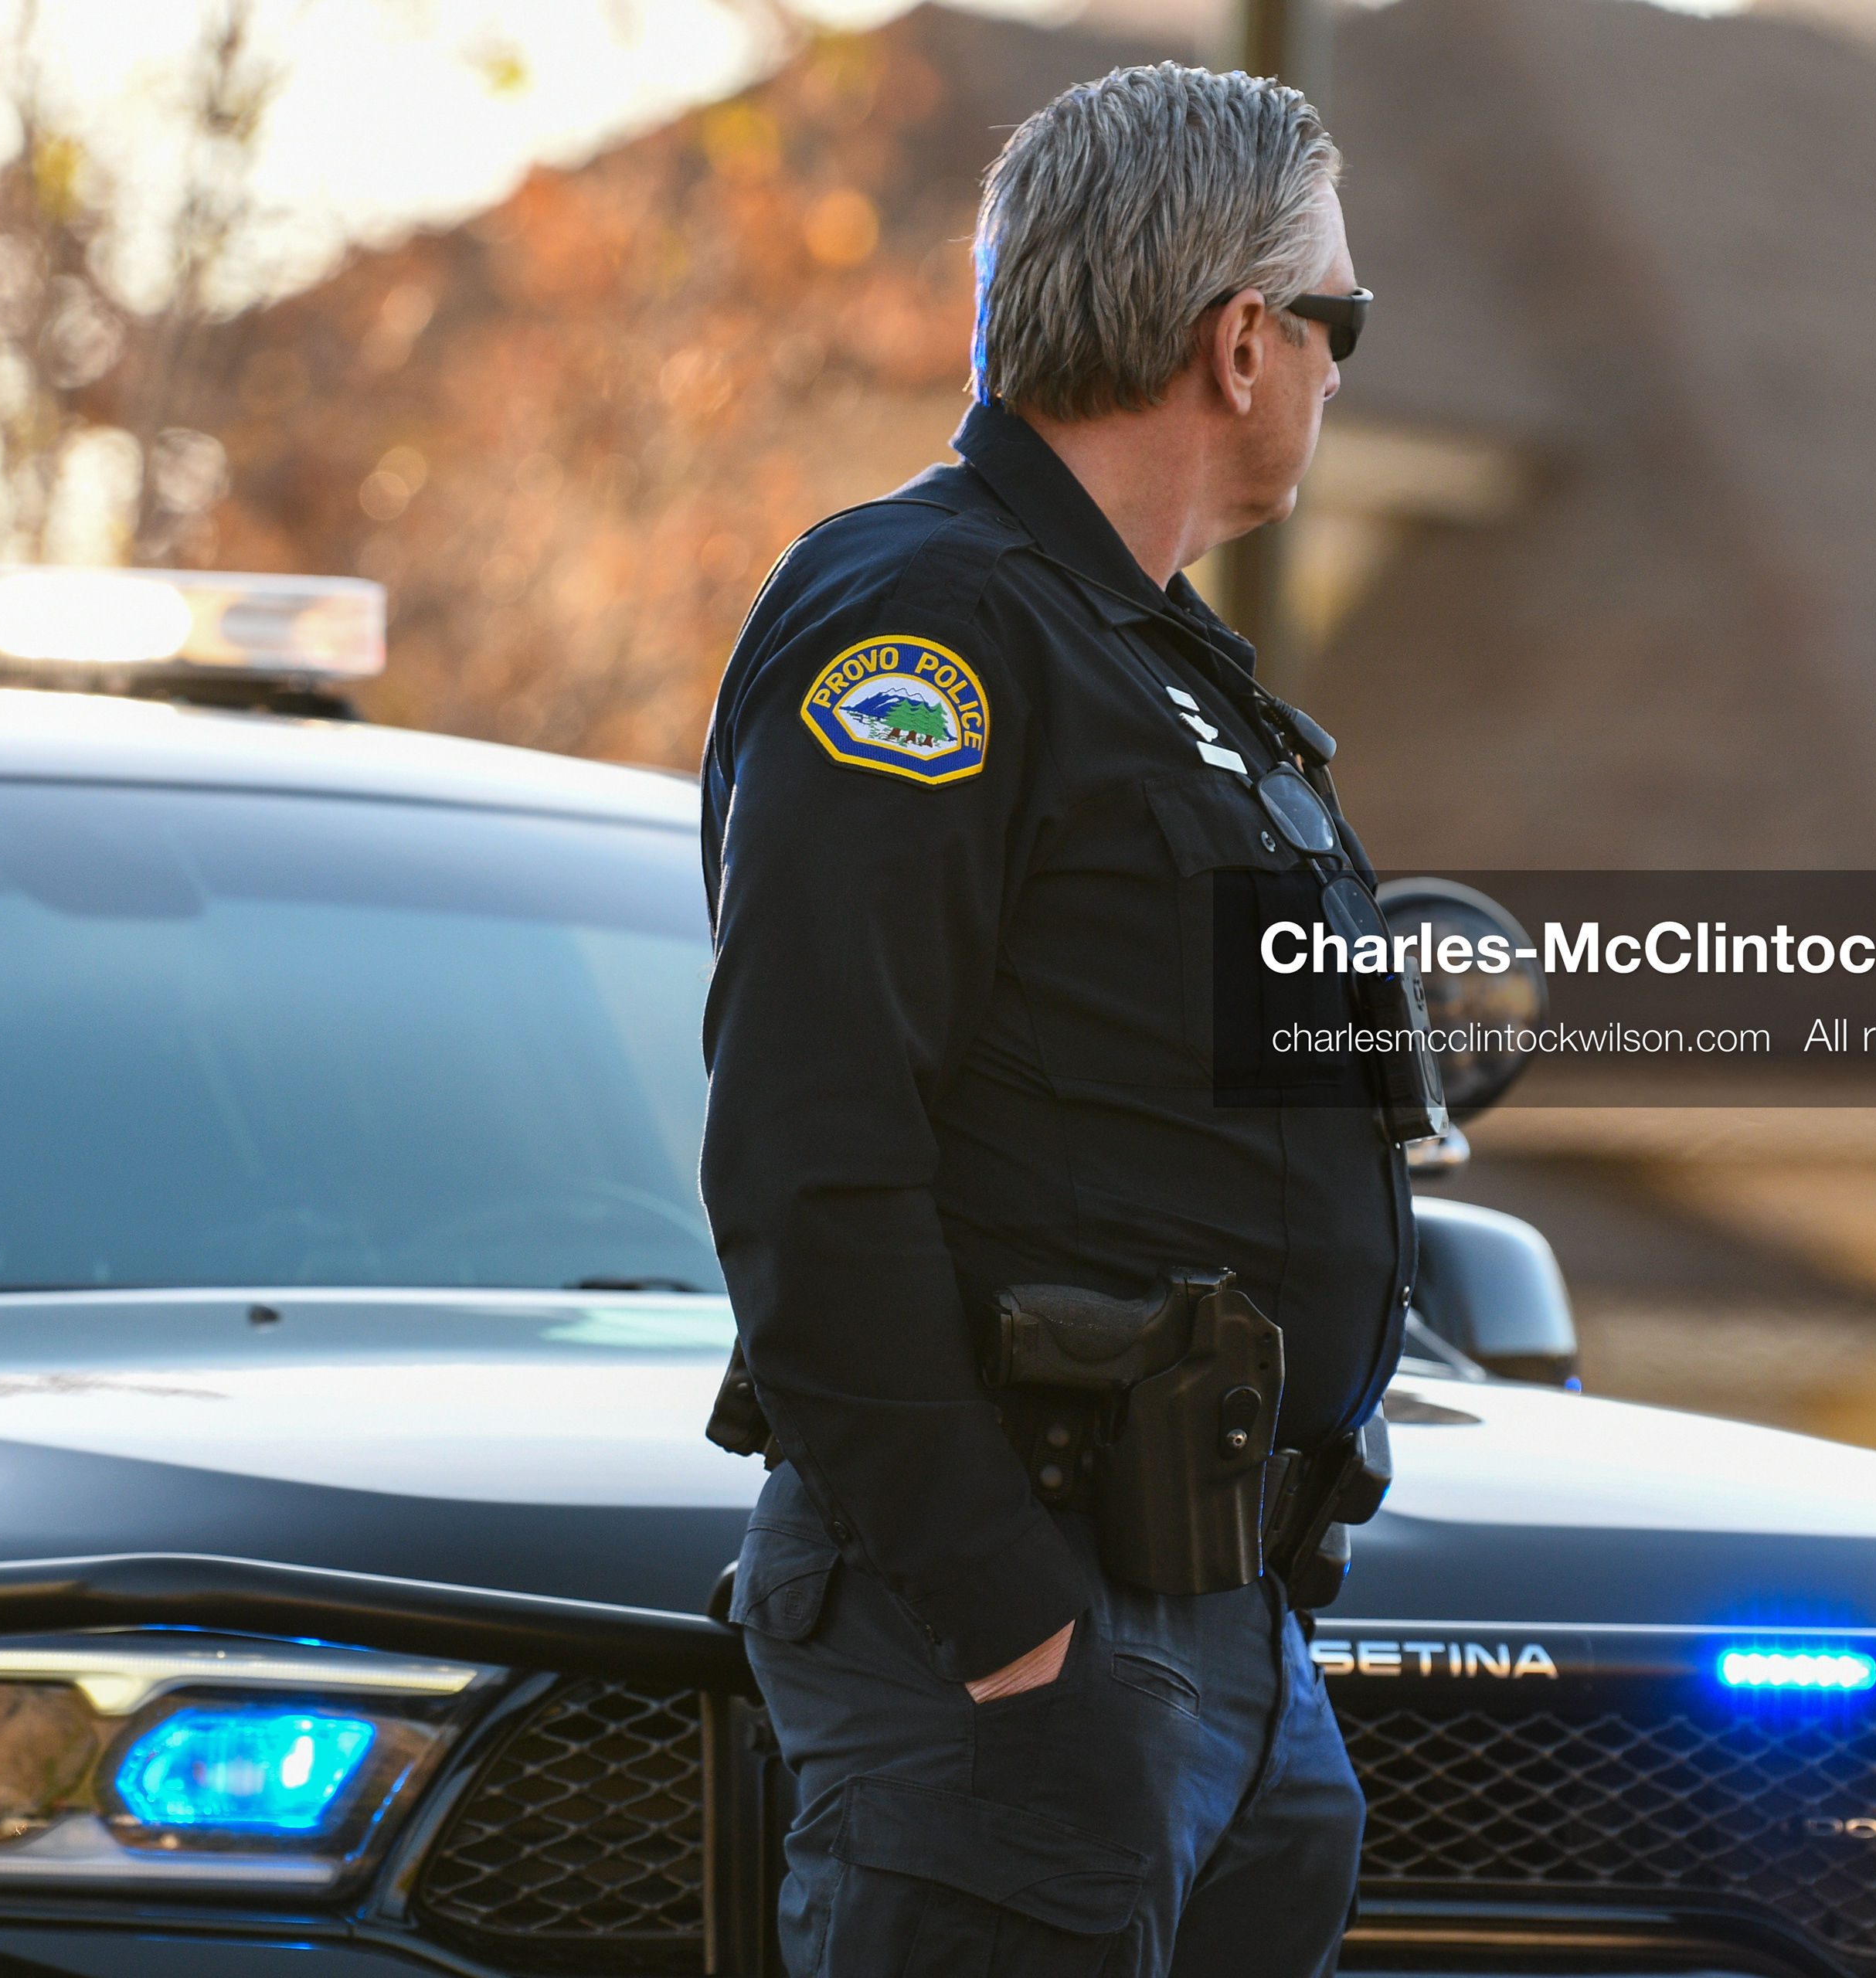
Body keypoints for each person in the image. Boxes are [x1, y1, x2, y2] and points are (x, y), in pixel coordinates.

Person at [698, 63, 1409, 1977]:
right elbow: (807, 1154)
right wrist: (1015, 1620)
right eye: (1340, 319)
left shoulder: (1166, 672)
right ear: (1241, 340)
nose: (1346, 368)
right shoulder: (927, 628)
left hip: (1219, 1639)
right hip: (1020, 1644)